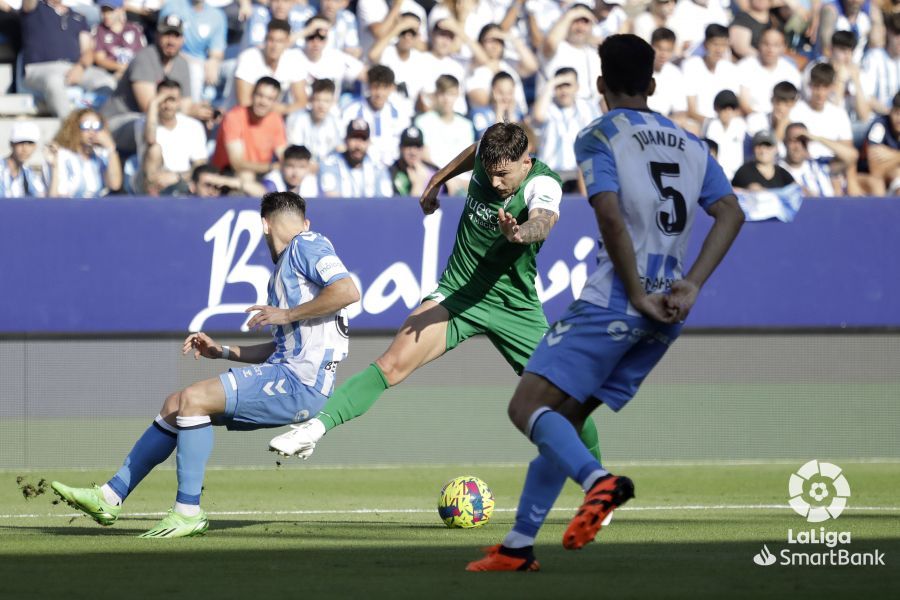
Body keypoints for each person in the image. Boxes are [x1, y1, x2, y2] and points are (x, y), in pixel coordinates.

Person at [466, 33, 743, 573]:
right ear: (653, 84)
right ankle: (518, 546)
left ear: (599, 84)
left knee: (525, 408)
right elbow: (731, 212)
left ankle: (599, 483)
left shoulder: (600, 134)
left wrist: (635, 293)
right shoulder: (691, 143)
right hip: (669, 312)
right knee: (563, 419)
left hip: (618, 301)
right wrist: (693, 284)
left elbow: (609, 216)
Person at [268, 122, 605, 490]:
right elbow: (472, 152)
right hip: (458, 294)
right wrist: (436, 182)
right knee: (391, 365)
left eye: (503, 175)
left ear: (526, 162)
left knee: (568, 398)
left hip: (514, 306)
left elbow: (543, 220)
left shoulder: (544, 184)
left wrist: (520, 232)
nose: (494, 183)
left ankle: (598, 484)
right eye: (489, 174)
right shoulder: (487, 157)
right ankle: (314, 429)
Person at [51, 192, 360, 538]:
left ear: (264, 225)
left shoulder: (306, 244)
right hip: (289, 373)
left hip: (300, 383)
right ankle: (110, 495)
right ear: (304, 221)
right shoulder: (287, 272)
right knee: (176, 404)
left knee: (195, 400)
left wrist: (286, 313)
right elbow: (282, 348)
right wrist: (223, 351)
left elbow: (347, 290)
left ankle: (188, 512)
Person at [102, 14, 213, 157]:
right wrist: (189, 111)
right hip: (118, 121)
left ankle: (190, 172)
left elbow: (185, 105)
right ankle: (153, 177)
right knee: (157, 127)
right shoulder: (145, 58)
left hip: (146, 121)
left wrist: (201, 112)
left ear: (183, 39)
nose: (171, 41)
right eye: (167, 35)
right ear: (156, 36)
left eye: (176, 36)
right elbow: (150, 108)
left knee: (194, 126)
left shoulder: (182, 64)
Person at [21, 0, 117, 118]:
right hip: (39, 69)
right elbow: (28, 4)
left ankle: (98, 124)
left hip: (73, 67)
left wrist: (80, 67)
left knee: (107, 81)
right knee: (54, 82)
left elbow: (87, 50)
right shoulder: (35, 9)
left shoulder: (78, 16)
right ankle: (70, 128)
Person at [531, 67, 601, 191]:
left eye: (567, 85)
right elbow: (538, 116)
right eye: (559, 86)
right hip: (550, 174)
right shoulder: (548, 106)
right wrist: (551, 83)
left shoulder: (588, 108)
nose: (563, 90)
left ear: (577, 87)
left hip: (580, 175)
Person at [136, 79, 208, 195]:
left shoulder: (193, 126)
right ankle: (152, 203)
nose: (167, 106)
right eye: (163, 100)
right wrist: (153, 104)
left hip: (182, 178)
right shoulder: (143, 123)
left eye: (172, 100)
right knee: (154, 149)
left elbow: (200, 164)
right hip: (150, 180)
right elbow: (150, 139)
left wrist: (177, 176)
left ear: (179, 102)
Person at [211, 76, 288, 182]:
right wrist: (271, 167)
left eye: (270, 99)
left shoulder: (276, 119)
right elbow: (237, 163)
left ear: (275, 102)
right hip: (228, 174)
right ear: (252, 95)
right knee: (247, 176)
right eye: (260, 95)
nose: (263, 102)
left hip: (262, 173)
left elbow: (283, 154)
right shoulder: (234, 117)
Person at [341, 65, 413, 167]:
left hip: (394, 169)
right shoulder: (351, 111)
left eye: (384, 87)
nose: (379, 93)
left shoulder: (400, 113)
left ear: (392, 88)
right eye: (375, 87)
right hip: (361, 167)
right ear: (368, 86)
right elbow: (343, 144)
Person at [233, 19, 308, 115]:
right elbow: (244, 103)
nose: (274, 46)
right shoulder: (248, 57)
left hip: (273, 118)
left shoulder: (294, 59)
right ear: (265, 39)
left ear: (287, 43)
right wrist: (281, 109)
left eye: (280, 41)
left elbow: (301, 103)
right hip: (243, 116)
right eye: (271, 40)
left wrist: (281, 110)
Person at [46, 108, 123, 197]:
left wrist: (111, 148)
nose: (92, 132)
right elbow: (55, 196)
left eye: (96, 127)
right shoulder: (62, 155)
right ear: (75, 128)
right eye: (86, 127)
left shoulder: (101, 156)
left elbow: (115, 185)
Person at [413, 74, 475, 178]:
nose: (446, 99)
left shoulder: (466, 125)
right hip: (435, 179)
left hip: (462, 180)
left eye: (450, 94)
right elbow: (425, 157)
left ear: (457, 94)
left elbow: (468, 160)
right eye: (442, 93)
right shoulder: (423, 122)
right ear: (436, 94)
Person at [317, 118, 393, 198]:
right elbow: (332, 202)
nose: (358, 145)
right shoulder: (329, 165)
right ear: (346, 140)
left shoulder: (378, 169)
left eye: (363, 139)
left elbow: (385, 203)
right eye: (354, 138)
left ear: (369, 143)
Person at [683, 24, 740, 125]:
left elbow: (735, 107)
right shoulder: (691, 65)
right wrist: (712, 124)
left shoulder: (731, 69)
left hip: (725, 124)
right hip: (699, 124)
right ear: (705, 44)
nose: (719, 50)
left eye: (723, 45)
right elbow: (691, 111)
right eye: (715, 44)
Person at [286, 78, 345, 164]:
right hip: (302, 167)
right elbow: (295, 153)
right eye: (317, 100)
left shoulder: (336, 122)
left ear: (332, 102)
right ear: (311, 100)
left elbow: (341, 149)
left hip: (328, 168)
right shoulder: (298, 120)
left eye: (326, 101)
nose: (321, 106)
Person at [779, 122, 840, 196]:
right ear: (785, 142)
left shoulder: (820, 165)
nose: (797, 147)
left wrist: (817, 138)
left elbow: (851, 156)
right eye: (793, 141)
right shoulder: (777, 170)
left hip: (828, 206)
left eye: (802, 141)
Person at [94, 0, 147, 82]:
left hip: (135, 73)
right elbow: (100, 59)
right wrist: (120, 67)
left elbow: (143, 55)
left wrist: (129, 69)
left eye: (110, 11)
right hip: (110, 74)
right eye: (103, 11)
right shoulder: (99, 30)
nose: (106, 15)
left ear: (120, 10)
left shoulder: (134, 29)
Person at [702, 90, 749, 180]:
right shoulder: (710, 126)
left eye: (731, 108)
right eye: (723, 108)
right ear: (717, 109)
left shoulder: (741, 126)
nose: (727, 112)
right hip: (716, 176)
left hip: (738, 176)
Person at [859, 92, 900, 195]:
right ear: (890, 111)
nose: (899, 119)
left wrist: (894, 155)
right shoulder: (879, 126)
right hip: (866, 176)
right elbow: (875, 171)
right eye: (896, 113)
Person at [731, 131, 796, 190]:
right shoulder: (744, 171)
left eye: (768, 145)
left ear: (776, 149)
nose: (763, 150)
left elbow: (796, 190)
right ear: (753, 149)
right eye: (759, 145)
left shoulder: (782, 174)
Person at [0, 122, 48, 198]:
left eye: (30, 143)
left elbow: (46, 200)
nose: (25, 149)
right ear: (11, 144)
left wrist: (55, 167)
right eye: (20, 142)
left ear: (35, 146)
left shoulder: (28, 173)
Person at [389, 125, 440, 196]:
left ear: (423, 149)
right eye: (408, 146)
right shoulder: (391, 173)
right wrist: (417, 184)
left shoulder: (433, 170)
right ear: (400, 148)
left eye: (417, 146)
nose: (413, 152)